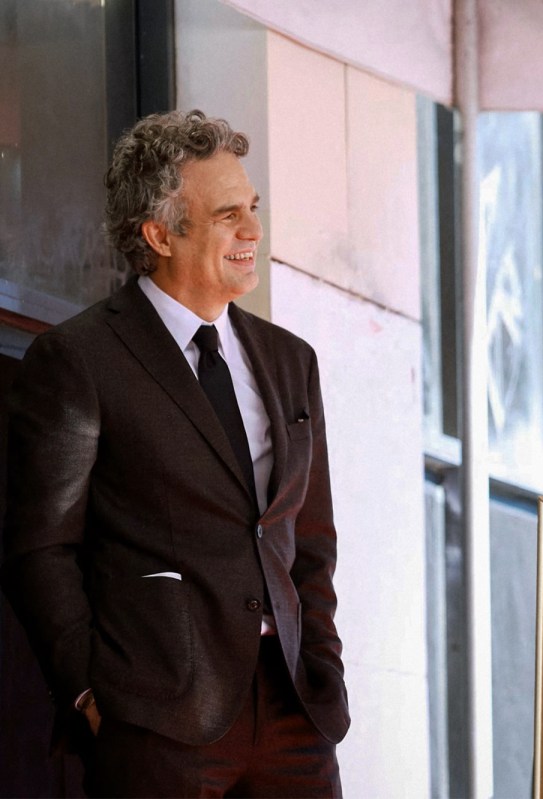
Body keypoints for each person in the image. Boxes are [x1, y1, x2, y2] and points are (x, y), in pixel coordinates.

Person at [2, 110, 349, 797]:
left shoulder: (290, 362)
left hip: (292, 708)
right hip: (155, 715)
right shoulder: (79, 360)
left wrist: (322, 665)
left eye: (252, 209)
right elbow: (41, 548)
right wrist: (89, 692)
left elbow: (309, 541)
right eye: (227, 215)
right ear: (159, 233)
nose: (253, 232)